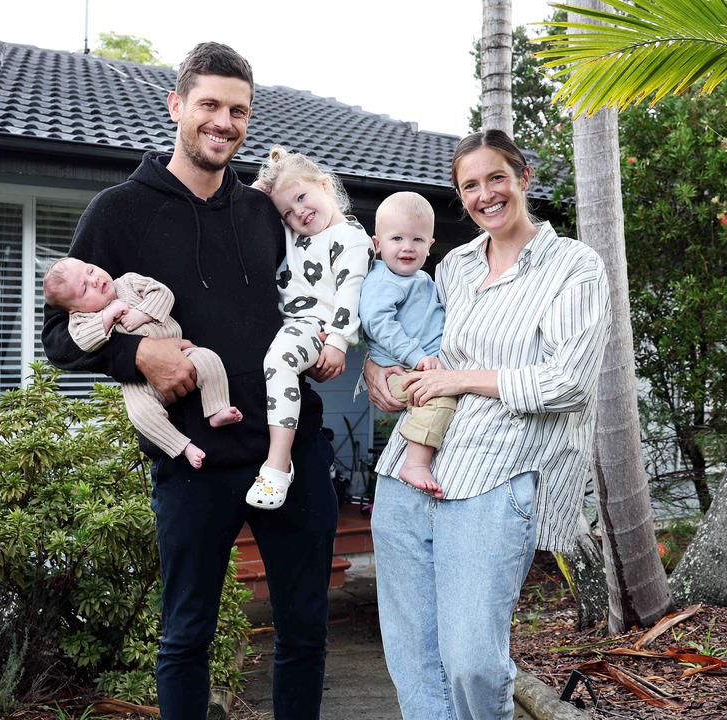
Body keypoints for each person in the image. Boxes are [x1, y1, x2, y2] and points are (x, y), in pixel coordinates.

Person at [40, 42, 337, 720]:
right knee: (185, 638)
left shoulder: (265, 212)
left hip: (291, 450)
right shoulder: (119, 211)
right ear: (177, 106)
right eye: (209, 104)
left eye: (238, 110)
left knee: (304, 632)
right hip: (195, 463)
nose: (223, 122)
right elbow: (57, 336)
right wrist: (139, 358)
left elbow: (299, 299)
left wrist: (323, 341)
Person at [363, 129, 611, 720]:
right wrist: (375, 364)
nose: (484, 195)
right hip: (408, 469)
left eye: (495, 178)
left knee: (472, 656)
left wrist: (461, 379)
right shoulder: (451, 267)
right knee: (412, 651)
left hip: (495, 477)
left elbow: (567, 382)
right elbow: (413, 336)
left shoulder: (573, 266)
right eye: (469, 185)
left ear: (522, 176)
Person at [248, 146, 371, 509]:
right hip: (287, 323)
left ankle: (277, 463)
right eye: (288, 211)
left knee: (279, 362)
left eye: (302, 197)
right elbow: (253, 199)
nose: (298, 212)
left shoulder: (351, 239)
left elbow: (350, 291)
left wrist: (338, 342)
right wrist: (269, 181)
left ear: (325, 185)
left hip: (318, 326)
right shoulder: (293, 232)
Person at [43, 257, 244, 468]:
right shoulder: (82, 319)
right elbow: (84, 341)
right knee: (140, 414)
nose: (93, 280)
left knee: (208, 359)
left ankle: (217, 409)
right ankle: (183, 447)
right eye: (84, 289)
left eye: (91, 270)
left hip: (182, 352)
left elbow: (163, 293)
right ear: (74, 310)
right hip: (137, 382)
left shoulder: (128, 282)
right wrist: (107, 316)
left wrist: (142, 314)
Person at [358, 191, 450, 496]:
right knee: (436, 398)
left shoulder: (422, 279)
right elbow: (377, 322)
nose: (408, 247)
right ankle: (415, 463)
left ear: (430, 246)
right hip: (399, 369)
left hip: (421, 364)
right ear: (378, 244)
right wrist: (416, 355)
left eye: (418, 240)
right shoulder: (383, 279)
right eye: (397, 238)